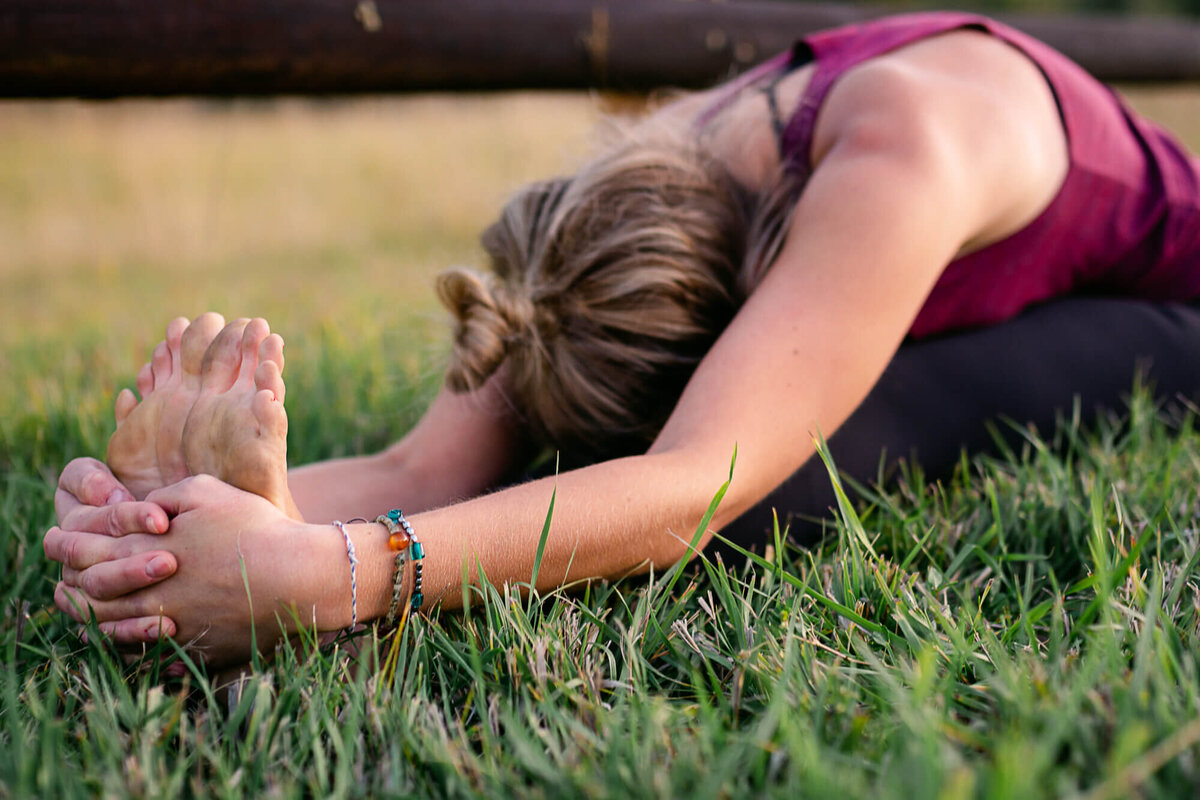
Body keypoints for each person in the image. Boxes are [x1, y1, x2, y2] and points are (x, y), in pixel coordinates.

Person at [43, 11, 1200, 668]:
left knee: (767, 490)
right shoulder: (618, 199)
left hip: (1171, 312)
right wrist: (152, 532)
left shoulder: (903, 158)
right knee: (577, 483)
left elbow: (688, 485)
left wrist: (330, 578)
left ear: (752, 298)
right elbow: (416, 472)